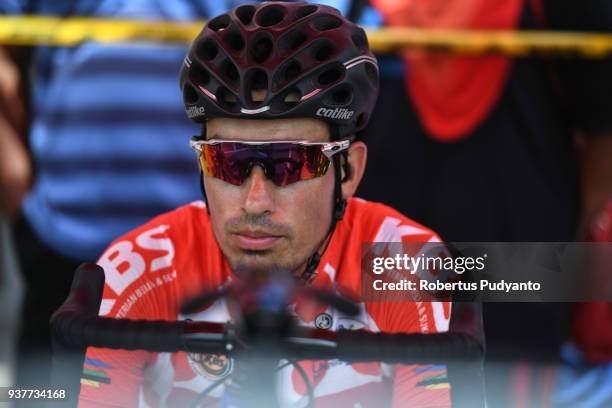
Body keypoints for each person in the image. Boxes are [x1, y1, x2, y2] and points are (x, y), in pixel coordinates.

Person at [78, 3, 454, 407]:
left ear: (348, 173)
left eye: (290, 163)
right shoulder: (135, 271)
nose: (255, 201)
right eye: (225, 160)